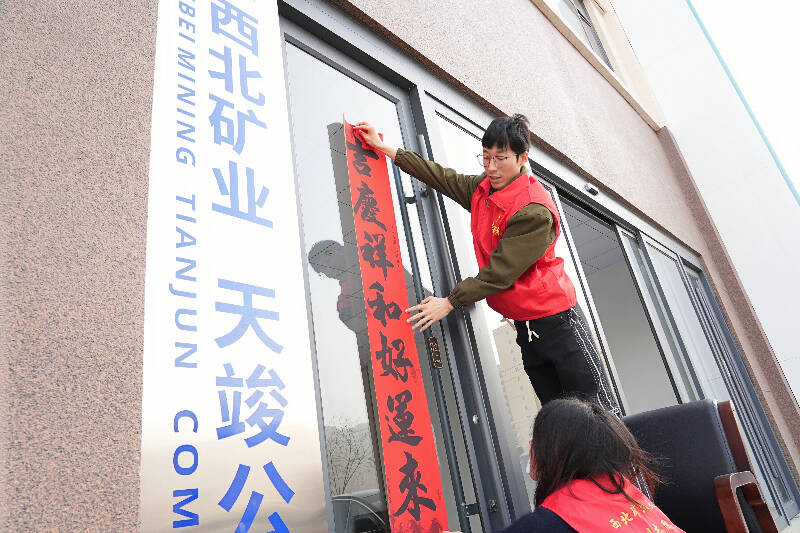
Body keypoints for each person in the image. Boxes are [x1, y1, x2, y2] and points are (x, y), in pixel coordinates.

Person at [354, 116, 618, 413]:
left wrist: (450, 302)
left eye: (500, 159)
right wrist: (385, 148)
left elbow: (499, 273)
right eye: (486, 157)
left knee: (600, 414)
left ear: (522, 158)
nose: (491, 167)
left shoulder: (533, 209)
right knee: (559, 417)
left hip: (559, 322)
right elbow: (443, 178)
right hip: (527, 328)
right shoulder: (485, 189)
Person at [450, 398, 684, 533]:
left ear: (553, 450)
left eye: (536, 440)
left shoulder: (554, 521)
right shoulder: (627, 497)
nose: (531, 446)